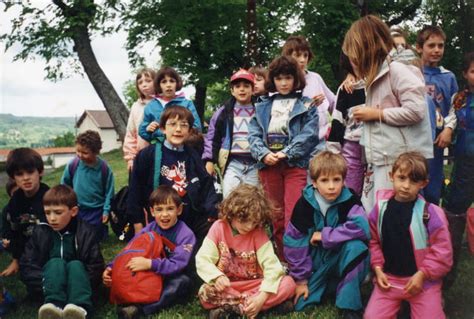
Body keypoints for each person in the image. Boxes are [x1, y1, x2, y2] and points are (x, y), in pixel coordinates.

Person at [341, 15, 433, 212]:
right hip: (379, 162)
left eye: (355, 56)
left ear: (368, 50)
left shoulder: (398, 71)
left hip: (400, 165)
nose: (352, 62)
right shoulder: (373, 80)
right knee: (375, 214)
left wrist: (377, 114)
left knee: (395, 217)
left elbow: (417, 110)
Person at [365, 152, 452, 319]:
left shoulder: (431, 213)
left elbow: (443, 252)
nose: (406, 185)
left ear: (424, 183)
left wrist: (423, 274)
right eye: (402, 178)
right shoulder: (379, 209)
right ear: (392, 176)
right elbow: (373, 241)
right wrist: (377, 268)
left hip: (422, 283)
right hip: (389, 282)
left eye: (414, 181)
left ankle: (432, 301)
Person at [248, 55, 320, 259]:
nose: (284, 83)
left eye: (288, 77)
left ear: (296, 79)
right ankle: (282, 260)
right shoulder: (262, 104)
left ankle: (298, 259)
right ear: (273, 80)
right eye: (279, 78)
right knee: (276, 216)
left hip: (294, 165)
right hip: (269, 166)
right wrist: (263, 154)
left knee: (293, 215)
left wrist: (286, 152)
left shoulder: (307, 105)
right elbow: (252, 134)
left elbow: (310, 134)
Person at [283, 151, 369, 319]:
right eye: (324, 180)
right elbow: (294, 242)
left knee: (357, 247)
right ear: (314, 182)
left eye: (336, 180)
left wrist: (326, 236)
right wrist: (301, 280)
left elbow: (363, 227)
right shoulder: (305, 204)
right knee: (301, 304)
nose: (331, 186)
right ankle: (332, 288)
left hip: (341, 257)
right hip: (316, 265)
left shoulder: (350, 199)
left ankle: (349, 305)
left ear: (344, 181)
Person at [196, 184, 296, 319]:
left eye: (254, 222)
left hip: (257, 285)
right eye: (244, 221)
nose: (249, 226)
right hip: (230, 286)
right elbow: (203, 259)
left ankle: (237, 309)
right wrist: (217, 277)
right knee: (205, 293)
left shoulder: (258, 233)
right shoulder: (218, 228)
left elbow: (272, 267)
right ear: (232, 213)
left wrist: (261, 297)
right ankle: (264, 306)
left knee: (288, 284)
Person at [127, 105, 218, 243]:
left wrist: (211, 208)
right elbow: (135, 189)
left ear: (189, 131)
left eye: (184, 125)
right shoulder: (148, 155)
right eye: (172, 124)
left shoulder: (193, 155)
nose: (178, 129)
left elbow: (206, 184)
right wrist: (137, 222)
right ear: (163, 128)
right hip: (161, 219)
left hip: (190, 219)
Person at [104, 185, 196, 318]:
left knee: (182, 283)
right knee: (127, 275)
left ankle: (141, 310)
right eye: (159, 210)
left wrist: (151, 264)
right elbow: (130, 249)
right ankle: (130, 299)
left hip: (173, 275)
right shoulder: (149, 228)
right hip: (153, 273)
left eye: (170, 209)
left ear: (179, 209)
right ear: (152, 212)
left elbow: (178, 264)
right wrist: (112, 266)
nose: (164, 214)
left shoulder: (186, 234)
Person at [20, 185, 104, 319]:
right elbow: (27, 265)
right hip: (49, 285)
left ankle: (79, 308)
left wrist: (79, 284)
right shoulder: (39, 233)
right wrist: (47, 282)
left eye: (58, 213)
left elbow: (96, 265)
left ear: (74, 211)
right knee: (55, 263)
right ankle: (53, 306)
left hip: (78, 285)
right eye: (47, 213)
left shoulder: (86, 232)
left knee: (75, 265)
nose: (52, 218)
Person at [416, 25, 459, 204]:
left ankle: (433, 225)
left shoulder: (448, 77)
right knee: (412, 184)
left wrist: (449, 129)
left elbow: (455, 107)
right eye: (431, 45)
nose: (436, 50)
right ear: (419, 47)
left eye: (440, 46)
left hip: (436, 141)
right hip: (413, 139)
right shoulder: (410, 73)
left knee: (433, 189)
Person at [442, 51, 474, 287]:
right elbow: (451, 118)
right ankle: (447, 270)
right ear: (465, 74)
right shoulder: (459, 98)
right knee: (454, 210)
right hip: (465, 162)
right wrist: (448, 129)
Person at [202, 69, 259, 198]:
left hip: (255, 163)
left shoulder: (260, 109)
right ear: (232, 91)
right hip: (232, 162)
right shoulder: (224, 112)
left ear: (253, 89)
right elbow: (212, 137)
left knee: (253, 199)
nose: (242, 89)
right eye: (237, 86)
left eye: (246, 86)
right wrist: (210, 160)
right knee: (229, 197)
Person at [1, 148, 49, 278]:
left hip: (51, 250)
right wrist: (16, 260)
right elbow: (15, 233)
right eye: (19, 174)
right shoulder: (14, 203)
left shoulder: (50, 197)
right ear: (12, 177)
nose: (26, 178)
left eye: (30, 172)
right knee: (30, 277)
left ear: (40, 171)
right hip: (28, 252)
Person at [61, 130, 115, 240]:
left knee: (96, 237)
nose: (80, 155)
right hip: (78, 209)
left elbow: (109, 192)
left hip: (97, 210)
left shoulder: (104, 169)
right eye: (78, 151)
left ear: (95, 152)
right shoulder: (73, 165)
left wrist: (106, 210)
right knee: (79, 235)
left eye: (85, 153)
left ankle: (101, 231)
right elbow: (64, 185)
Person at [281, 35, 335, 141]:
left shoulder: (315, 78)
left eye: (305, 56)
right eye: (297, 55)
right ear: (287, 56)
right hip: (293, 144)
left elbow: (334, 103)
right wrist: (308, 105)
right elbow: (278, 114)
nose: (302, 60)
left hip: (319, 141)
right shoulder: (280, 82)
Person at [326, 53, 366, 196]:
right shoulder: (346, 89)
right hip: (352, 148)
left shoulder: (379, 84)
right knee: (350, 194)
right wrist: (333, 154)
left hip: (376, 147)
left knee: (372, 197)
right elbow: (337, 121)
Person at [139, 66, 201, 143]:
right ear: (158, 85)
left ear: (177, 83)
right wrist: (148, 129)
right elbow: (142, 131)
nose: (168, 85)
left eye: (172, 81)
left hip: (183, 149)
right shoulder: (151, 106)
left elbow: (196, 128)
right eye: (164, 82)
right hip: (159, 150)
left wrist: (160, 132)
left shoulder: (187, 104)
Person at [123, 67, 156, 171]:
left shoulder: (163, 103)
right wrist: (130, 159)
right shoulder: (136, 106)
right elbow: (131, 133)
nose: (144, 85)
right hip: (141, 155)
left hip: (163, 154)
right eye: (140, 82)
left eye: (148, 81)